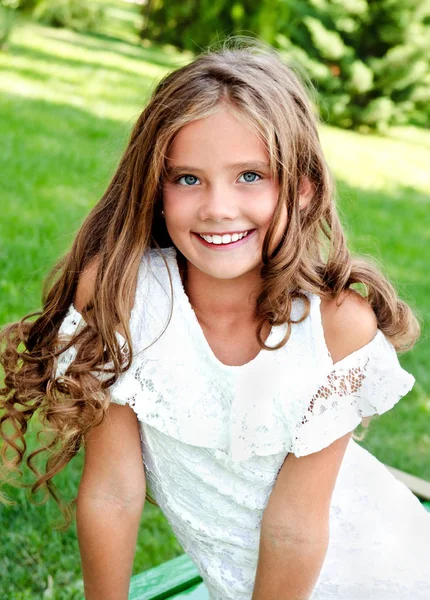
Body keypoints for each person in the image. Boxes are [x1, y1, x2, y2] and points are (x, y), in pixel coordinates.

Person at [1, 36, 429, 600]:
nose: (217, 207)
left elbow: (295, 528)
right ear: (155, 190)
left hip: (378, 574)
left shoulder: (335, 326)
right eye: (187, 178)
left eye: (250, 176)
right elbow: (113, 491)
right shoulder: (123, 296)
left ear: (301, 188)